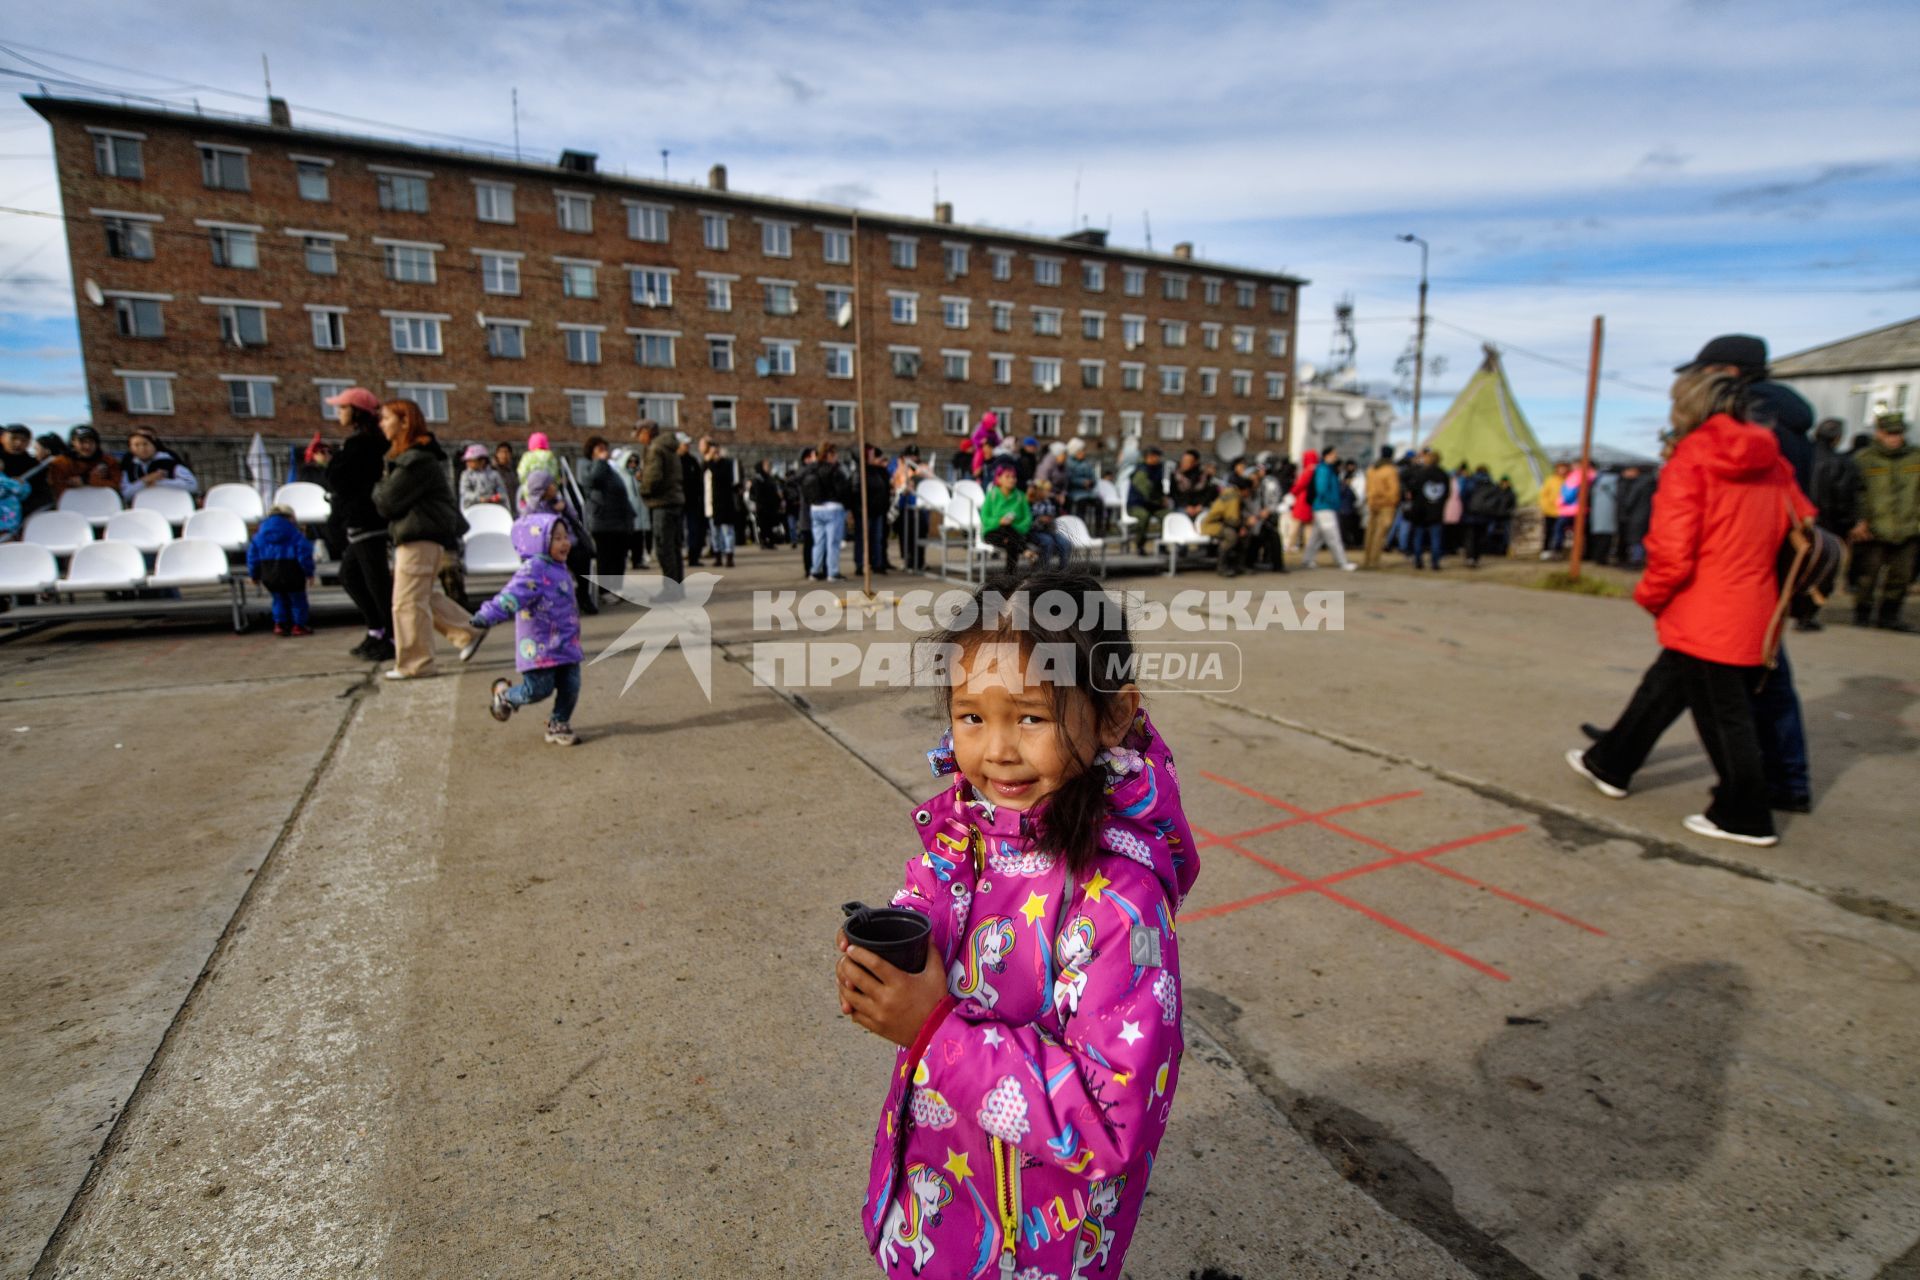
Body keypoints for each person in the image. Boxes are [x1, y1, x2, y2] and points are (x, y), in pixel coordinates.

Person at [836, 569, 1199, 1280]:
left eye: (1030, 717)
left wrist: (933, 1032)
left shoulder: (1120, 901)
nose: (997, 750)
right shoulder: (973, 827)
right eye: (972, 716)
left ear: (1114, 716)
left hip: (1031, 1244)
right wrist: (893, 950)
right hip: (941, 1203)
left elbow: (1109, 1117)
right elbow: (932, 891)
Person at [1568, 366, 1812, 847]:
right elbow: (1803, 519)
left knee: (1724, 715)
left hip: (1705, 602)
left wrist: (1651, 594)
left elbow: (1672, 549)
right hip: (1754, 597)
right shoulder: (1773, 457)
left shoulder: (1693, 457)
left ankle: (1744, 813)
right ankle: (1612, 762)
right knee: (1664, 687)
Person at [372, 399, 481, 680]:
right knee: (419, 596)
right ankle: (469, 631)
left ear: (404, 422)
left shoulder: (415, 460)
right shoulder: (413, 457)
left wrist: (378, 484)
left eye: (386, 418)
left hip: (418, 537)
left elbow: (386, 501)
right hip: (420, 536)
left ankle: (416, 663)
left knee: (406, 602)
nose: (381, 424)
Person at [474, 511, 584, 747]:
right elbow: (511, 596)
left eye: (566, 537)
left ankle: (558, 723)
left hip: (566, 642)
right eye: (557, 538)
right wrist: (488, 615)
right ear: (539, 541)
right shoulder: (533, 569)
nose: (565, 543)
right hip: (540, 644)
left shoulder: (559, 566)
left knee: (571, 685)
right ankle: (504, 695)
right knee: (537, 690)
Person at [323, 389, 395, 662]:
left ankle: (390, 637)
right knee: (351, 576)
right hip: (359, 520)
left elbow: (339, 479)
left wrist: (329, 465)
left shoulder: (364, 444)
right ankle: (377, 629)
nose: (339, 413)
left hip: (367, 520)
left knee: (376, 582)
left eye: (343, 408)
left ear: (356, 411)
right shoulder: (359, 443)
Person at [1848, 412, 1918, 632]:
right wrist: (1859, 520)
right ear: (1879, 433)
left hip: (1909, 527)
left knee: (1902, 576)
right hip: (1874, 529)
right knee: (1867, 576)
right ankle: (1862, 614)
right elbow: (1854, 493)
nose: (1894, 438)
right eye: (1890, 433)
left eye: (1898, 433)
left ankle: (1889, 616)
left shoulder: (1916, 458)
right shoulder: (1864, 459)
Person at [247, 504, 318, 637]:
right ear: (290, 517)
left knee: (278, 598)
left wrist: (254, 575)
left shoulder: (259, 535)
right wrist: (309, 573)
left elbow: (252, 557)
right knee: (298, 600)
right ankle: (298, 626)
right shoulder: (295, 533)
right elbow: (304, 554)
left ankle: (279, 624)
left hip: (269, 571)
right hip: (292, 570)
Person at [581, 435, 634, 593]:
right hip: (602, 521)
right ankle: (605, 591)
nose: (605, 452)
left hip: (619, 521)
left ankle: (617, 589)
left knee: (619, 557)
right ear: (592, 453)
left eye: (605, 449)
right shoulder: (590, 467)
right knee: (605, 557)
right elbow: (594, 480)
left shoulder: (612, 468)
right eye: (600, 449)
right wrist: (600, 461)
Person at [634, 420, 684, 586]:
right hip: (674, 500)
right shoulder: (669, 448)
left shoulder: (655, 448)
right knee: (674, 548)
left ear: (647, 431)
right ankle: (677, 586)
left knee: (664, 548)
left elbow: (654, 477)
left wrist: (643, 488)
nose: (638, 437)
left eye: (639, 433)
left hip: (662, 503)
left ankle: (671, 589)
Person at [1301, 444, 1356, 571]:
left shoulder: (1325, 469)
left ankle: (1307, 559)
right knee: (1333, 536)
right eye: (1334, 454)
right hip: (1325, 507)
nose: (1335, 456)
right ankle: (1342, 562)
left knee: (1317, 537)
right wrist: (1332, 501)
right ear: (1328, 455)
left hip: (1323, 506)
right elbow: (1322, 489)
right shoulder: (1324, 470)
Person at [803, 441, 851, 581]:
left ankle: (815, 570)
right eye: (835, 453)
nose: (836, 456)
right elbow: (843, 490)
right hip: (833, 508)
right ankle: (833, 572)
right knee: (833, 542)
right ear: (829, 454)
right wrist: (847, 506)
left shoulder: (812, 469)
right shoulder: (835, 470)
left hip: (815, 508)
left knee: (818, 542)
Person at [979, 460, 1032, 572]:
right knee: (1008, 535)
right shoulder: (992, 495)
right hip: (994, 532)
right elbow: (984, 517)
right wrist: (999, 521)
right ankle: (1025, 551)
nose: (1012, 479)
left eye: (1013, 477)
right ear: (998, 479)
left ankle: (1009, 577)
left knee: (1011, 541)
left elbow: (1028, 518)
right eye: (1007, 476)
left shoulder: (1021, 496)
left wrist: (1015, 525)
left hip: (1014, 532)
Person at [117, 427, 197, 499]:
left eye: (145, 444)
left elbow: (192, 485)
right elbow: (126, 494)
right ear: (131, 449)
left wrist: (159, 482)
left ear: (154, 445)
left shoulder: (170, 463)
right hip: (143, 508)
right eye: (136, 445)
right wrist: (144, 481)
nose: (142, 448)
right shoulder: (130, 467)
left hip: (170, 503)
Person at [1403, 448, 1449, 570]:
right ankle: (1435, 562)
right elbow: (1447, 493)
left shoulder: (1421, 473)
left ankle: (1418, 561)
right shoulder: (1444, 474)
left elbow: (1412, 490)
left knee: (1418, 536)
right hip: (1436, 511)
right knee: (1436, 538)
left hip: (1421, 511)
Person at [850, 442, 892, 575]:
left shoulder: (877, 470)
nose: (875, 456)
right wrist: (859, 510)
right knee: (862, 539)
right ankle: (860, 564)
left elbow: (884, 488)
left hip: (878, 510)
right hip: (864, 512)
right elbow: (856, 492)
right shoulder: (860, 472)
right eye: (872, 454)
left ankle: (877, 563)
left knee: (877, 538)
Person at [700, 437, 741, 569]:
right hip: (711, 503)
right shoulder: (707, 465)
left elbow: (722, 477)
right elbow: (701, 477)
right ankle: (717, 555)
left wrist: (713, 461)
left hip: (724, 504)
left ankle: (729, 555)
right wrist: (707, 461)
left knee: (726, 531)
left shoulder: (725, 465)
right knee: (714, 532)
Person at [1201, 470, 1250, 576]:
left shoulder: (1235, 495)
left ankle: (1239, 565)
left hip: (1223, 524)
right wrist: (1241, 527)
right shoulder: (1233, 497)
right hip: (1212, 525)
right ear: (1245, 490)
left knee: (1244, 537)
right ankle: (1221, 566)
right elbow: (1232, 519)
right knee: (1231, 536)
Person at [50, 426, 122, 493]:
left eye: (91, 441)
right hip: (73, 503)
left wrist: (87, 480)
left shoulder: (108, 461)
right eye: (82, 442)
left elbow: (116, 485)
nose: (87, 446)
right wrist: (73, 483)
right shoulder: (61, 463)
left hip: (103, 501)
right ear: (73, 442)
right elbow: (58, 488)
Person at [1362, 445, 1400, 569]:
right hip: (1386, 505)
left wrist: (1370, 499)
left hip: (1372, 503)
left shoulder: (1372, 469)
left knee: (1370, 532)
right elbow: (1394, 490)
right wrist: (1393, 501)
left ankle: (1367, 559)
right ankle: (1374, 560)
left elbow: (1367, 487)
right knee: (1380, 533)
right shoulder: (1390, 470)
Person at [1126, 445, 1168, 555]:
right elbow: (1147, 492)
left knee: (1167, 516)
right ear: (1147, 457)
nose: (1157, 459)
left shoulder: (1158, 469)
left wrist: (1163, 498)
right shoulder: (1141, 472)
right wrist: (1160, 501)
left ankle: (1162, 544)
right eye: (1154, 456)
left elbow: (1159, 488)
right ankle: (1140, 544)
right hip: (1137, 504)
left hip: (1153, 504)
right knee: (1143, 516)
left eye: (1157, 456)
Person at [1024, 479, 1070, 571]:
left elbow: (1054, 515)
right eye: (1046, 490)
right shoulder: (1029, 502)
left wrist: (1050, 519)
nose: (1048, 493)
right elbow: (1026, 522)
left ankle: (1062, 571)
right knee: (1048, 541)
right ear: (1039, 491)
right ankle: (1044, 570)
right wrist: (1039, 520)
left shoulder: (1049, 502)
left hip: (1049, 530)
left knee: (1065, 543)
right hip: (1034, 532)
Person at [1616, 464, 1656, 566]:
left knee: (1635, 539)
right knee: (1641, 539)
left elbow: (1630, 500)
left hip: (1636, 515)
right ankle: (1638, 559)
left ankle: (1635, 561)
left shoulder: (1638, 483)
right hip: (1647, 514)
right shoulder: (1652, 482)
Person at [459, 444, 510, 508]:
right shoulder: (466, 475)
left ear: (482, 461)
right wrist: (479, 498)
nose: (468, 463)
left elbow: (501, 490)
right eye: (467, 461)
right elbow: (465, 492)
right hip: (472, 507)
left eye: (471, 460)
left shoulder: (494, 475)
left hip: (492, 507)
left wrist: (496, 497)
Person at [750, 459, 784, 551]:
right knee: (763, 525)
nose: (769, 468)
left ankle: (771, 542)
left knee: (771, 525)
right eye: (766, 466)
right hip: (762, 507)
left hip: (771, 506)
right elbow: (754, 494)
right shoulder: (758, 479)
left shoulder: (769, 478)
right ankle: (764, 541)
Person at [1587, 468, 1619, 565]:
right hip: (1609, 513)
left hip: (1596, 514)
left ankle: (1596, 557)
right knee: (1607, 538)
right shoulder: (1615, 482)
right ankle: (1602, 559)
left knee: (1598, 537)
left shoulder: (1596, 482)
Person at [1537, 461, 1568, 558]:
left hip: (1563, 511)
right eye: (1560, 468)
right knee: (1549, 531)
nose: (1562, 471)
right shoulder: (1551, 480)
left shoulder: (1568, 481)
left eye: (1564, 468)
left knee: (1561, 532)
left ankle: (1558, 551)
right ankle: (1546, 550)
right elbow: (1543, 494)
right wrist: (1545, 506)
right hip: (1550, 510)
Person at [515, 430, 554, 501]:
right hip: (547, 490)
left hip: (530, 490)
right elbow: (553, 473)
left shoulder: (527, 456)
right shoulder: (550, 455)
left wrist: (524, 483)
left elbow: (521, 473)